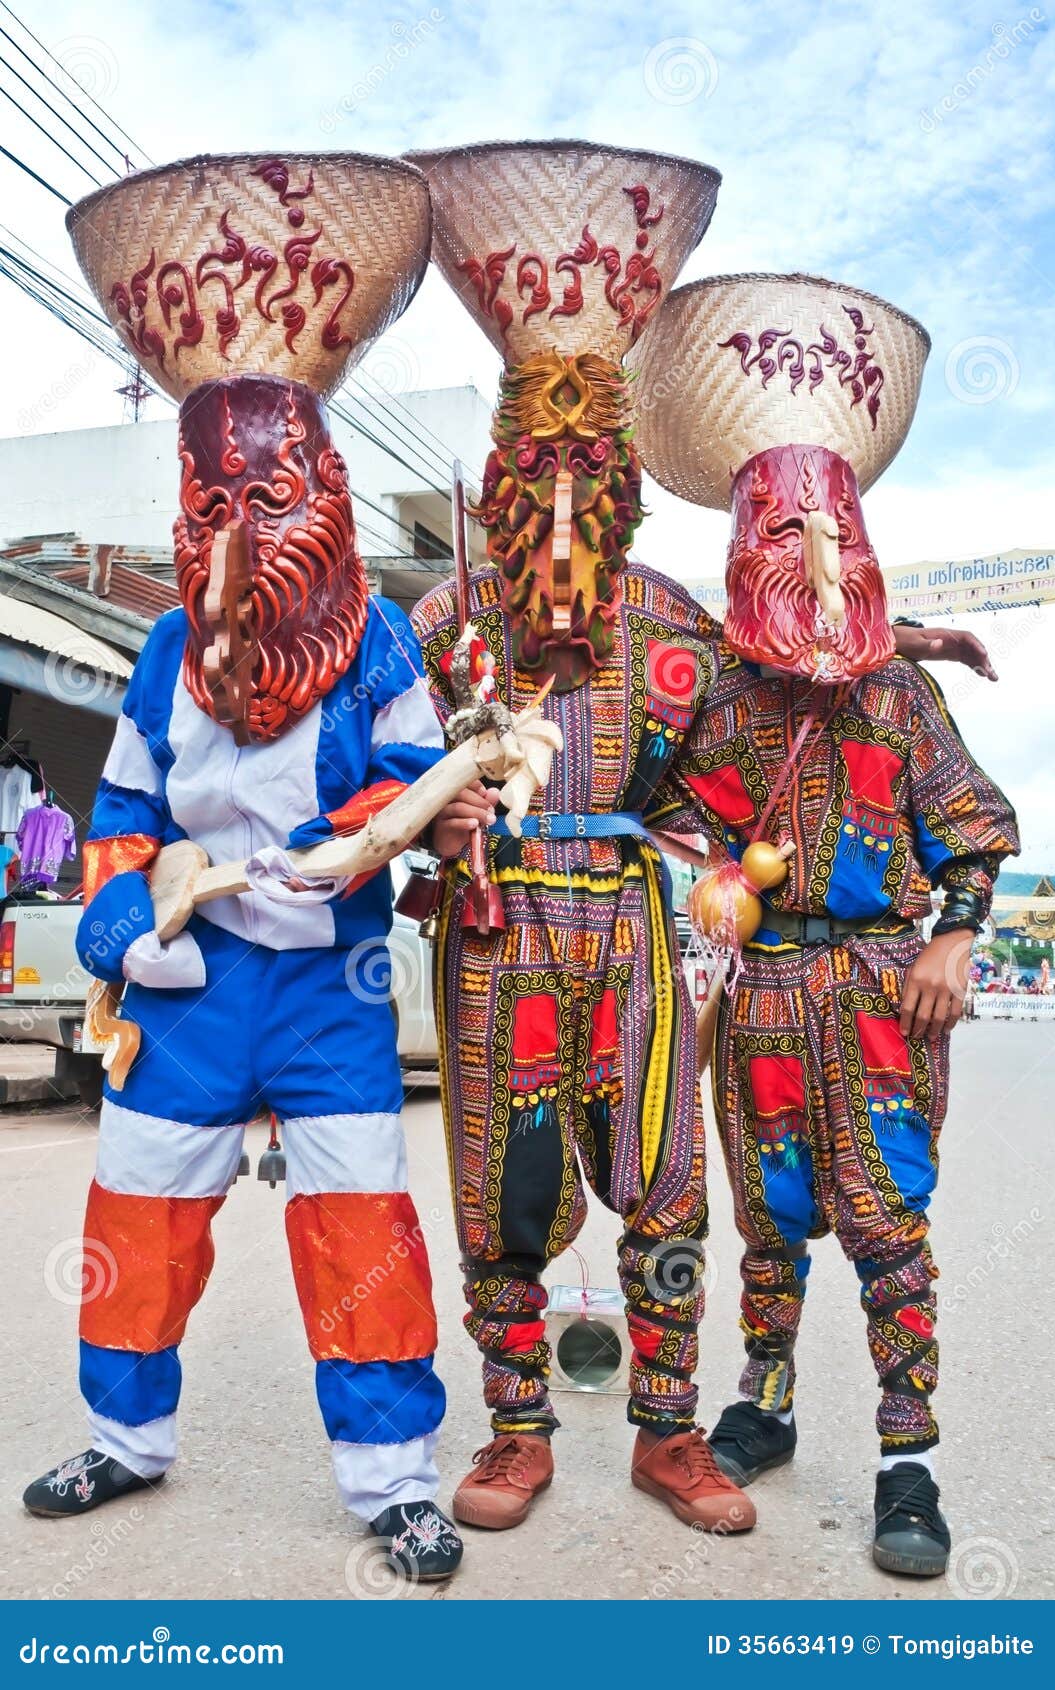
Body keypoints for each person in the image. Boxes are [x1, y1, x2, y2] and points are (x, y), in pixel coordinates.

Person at [415, 142, 1000, 1539]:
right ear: (499, 477)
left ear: (621, 480)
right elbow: (355, 761)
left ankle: (674, 1432)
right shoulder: (439, 628)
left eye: (587, 474)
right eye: (532, 473)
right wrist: (433, 813)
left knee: (672, 1195)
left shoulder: (676, 627)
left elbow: (802, 651)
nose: (559, 510)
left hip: (632, 933)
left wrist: (899, 637)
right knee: (507, 1191)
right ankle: (513, 1429)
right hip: (494, 934)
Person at [22, 152, 466, 1581]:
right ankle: (127, 1434)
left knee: (361, 1228)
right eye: (212, 501)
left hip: (332, 983)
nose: (236, 533)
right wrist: (127, 930)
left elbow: (414, 773)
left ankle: (395, 1476)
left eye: (265, 498)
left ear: (319, 495)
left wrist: (374, 839)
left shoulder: (381, 644)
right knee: (139, 1218)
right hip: (193, 983)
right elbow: (125, 816)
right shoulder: (160, 652)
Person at [634, 271, 1019, 1577]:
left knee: (889, 1224)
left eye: (833, 533)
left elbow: (970, 831)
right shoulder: (718, 700)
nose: (811, 556)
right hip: (762, 1000)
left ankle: (908, 1458)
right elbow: (664, 815)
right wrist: (712, 882)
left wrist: (957, 937)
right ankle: (769, 1402)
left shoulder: (898, 694)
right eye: (784, 530)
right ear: (745, 547)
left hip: (878, 992)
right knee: (770, 1220)